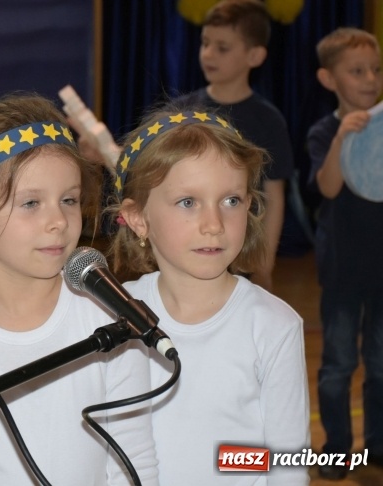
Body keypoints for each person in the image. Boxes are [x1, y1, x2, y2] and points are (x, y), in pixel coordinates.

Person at [0, 93, 159, 485]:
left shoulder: (112, 318)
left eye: (69, 199)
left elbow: (134, 461)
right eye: (30, 203)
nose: (58, 220)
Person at [111, 108, 310, 484]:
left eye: (231, 201)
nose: (214, 225)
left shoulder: (273, 325)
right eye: (188, 202)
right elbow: (110, 453)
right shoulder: (115, 315)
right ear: (138, 218)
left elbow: (286, 463)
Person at [176, 0, 294, 291]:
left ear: (254, 56)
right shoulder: (180, 112)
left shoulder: (268, 120)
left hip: (241, 259)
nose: (208, 54)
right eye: (205, 43)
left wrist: (265, 264)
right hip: (185, 251)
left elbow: (274, 196)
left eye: (222, 47)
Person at [307, 27, 383, 481]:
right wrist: (341, 140)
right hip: (342, 271)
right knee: (337, 364)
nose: (370, 79)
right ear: (328, 78)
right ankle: (337, 447)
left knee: (382, 363)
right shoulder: (324, 130)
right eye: (356, 71)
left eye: (375, 69)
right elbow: (329, 186)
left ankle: (378, 443)